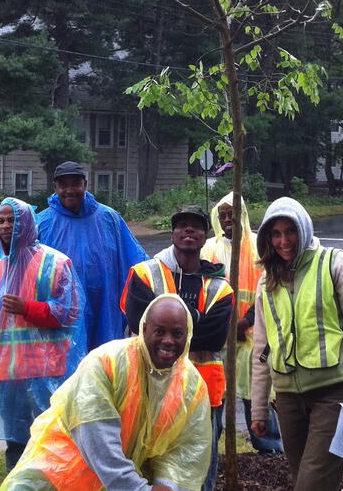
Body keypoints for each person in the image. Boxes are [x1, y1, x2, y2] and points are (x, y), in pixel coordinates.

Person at [0, 293, 212, 491]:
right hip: (59, 473)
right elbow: (96, 438)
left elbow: (188, 446)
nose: (168, 340)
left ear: (188, 335)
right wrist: (137, 488)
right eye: (159, 331)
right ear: (144, 328)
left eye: (177, 334)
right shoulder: (107, 363)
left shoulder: (190, 386)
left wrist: (168, 483)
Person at [250, 197, 343, 491]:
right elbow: (261, 350)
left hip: (333, 393)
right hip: (287, 399)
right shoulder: (266, 282)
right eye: (276, 234)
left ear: (304, 229)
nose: (284, 241)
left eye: (290, 231)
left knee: (311, 485)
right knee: (302, 480)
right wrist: (258, 409)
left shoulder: (334, 263)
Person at [0, 198, 85, 472]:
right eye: (1, 220)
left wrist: (28, 308)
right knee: (15, 440)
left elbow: (70, 312)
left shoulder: (55, 263)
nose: (6, 225)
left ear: (28, 223)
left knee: (50, 439)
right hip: (7, 373)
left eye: (13, 219)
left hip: (45, 372)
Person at [121, 204, 234, 491]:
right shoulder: (143, 274)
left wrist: (165, 327)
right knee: (149, 457)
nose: (188, 231)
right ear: (172, 234)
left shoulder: (220, 287)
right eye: (182, 225)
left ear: (204, 236)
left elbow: (213, 337)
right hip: (149, 386)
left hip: (204, 391)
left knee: (201, 461)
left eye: (195, 226)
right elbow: (139, 323)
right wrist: (194, 320)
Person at [201, 192, 283, 454]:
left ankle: (270, 451)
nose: (227, 220)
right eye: (222, 215)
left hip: (251, 338)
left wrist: (246, 321)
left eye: (232, 214)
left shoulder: (259, 246)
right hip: (218, 337)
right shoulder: (209, 249)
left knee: (256, 395)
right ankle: (209, 447)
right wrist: (222, 326)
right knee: (214, 396)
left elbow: (271, 289)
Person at [36, 161, 148, 351]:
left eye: (75, 184)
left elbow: (136, 261)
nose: (70, 190)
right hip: (60, 313)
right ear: (55, 188)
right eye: (63, 185)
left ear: (85, 185)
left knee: (103, 367)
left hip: (104, 308)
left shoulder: (108, 218)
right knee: (66, 372)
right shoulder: (42, 223)